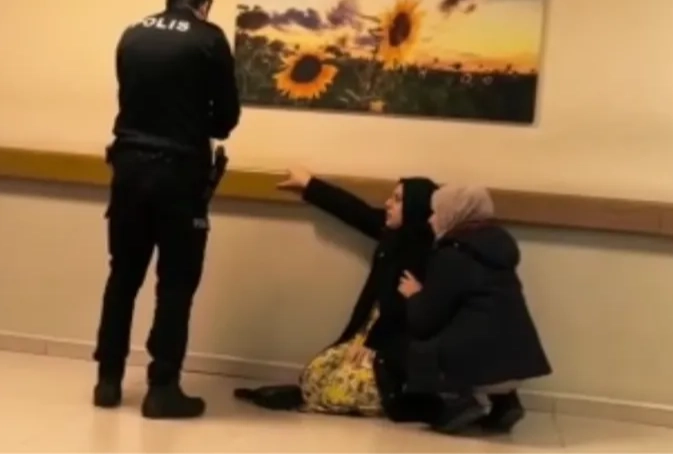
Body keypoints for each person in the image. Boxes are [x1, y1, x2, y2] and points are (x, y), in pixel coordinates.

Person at [92, 0, 240, 419]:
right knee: (175, 283)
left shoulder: (133, 33)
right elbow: (226, 118)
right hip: (180, 176)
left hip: (128, 169)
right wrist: (194, 118)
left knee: (123, 276)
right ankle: (162, 388)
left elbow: (130, 96)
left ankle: (108, 380)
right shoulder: (208, 39)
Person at [235, 169, 440, 420]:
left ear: (415, 208)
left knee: (334, 388)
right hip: (368, 334)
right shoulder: (392, 236)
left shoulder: (427, 254)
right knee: (314, 375)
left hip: (389, 346)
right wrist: (309, 185)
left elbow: (402, 314)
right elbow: (356, 212)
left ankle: (403, 402)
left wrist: (373, 343)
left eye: (397, 200)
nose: (388, 203)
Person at [397, 184, 552, 434]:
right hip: (519, 362)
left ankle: (458, 402)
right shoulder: (498, 249)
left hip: (481, 369)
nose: (431, 219)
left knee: (417, 347)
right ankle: (506, 403)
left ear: (452, 213)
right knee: (479, 325)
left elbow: (424, 320)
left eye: (436, 212)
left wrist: (415, 295)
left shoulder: (452, 254)